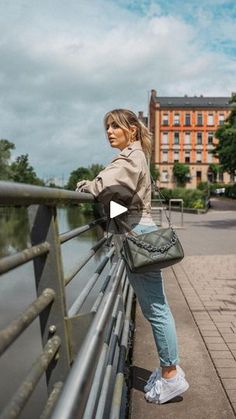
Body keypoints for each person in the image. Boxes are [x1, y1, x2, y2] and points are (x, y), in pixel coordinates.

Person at [76, 108, 189, 404]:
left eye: (116, 126)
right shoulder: (137, 156)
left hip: (137, 234)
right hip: (137, 229)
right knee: (156, 307)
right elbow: (120, 201)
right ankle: (170, 368)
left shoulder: (130, 157)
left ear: (133, 130)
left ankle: (171, 375)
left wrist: (87, 185)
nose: (109, 132)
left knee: (156, 309)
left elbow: (104, 186)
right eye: (107, 127)